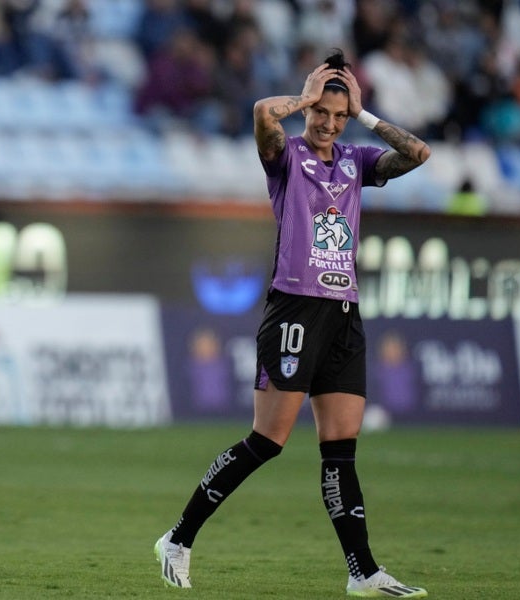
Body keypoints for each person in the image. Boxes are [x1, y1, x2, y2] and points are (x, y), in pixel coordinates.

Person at [154, 49, 431, 598]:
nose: (328, 123)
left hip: (344, 314)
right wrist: (306, 96)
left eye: (337, 115)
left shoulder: (355, 159)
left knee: (341, 448)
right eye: (320, 113)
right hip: (294, 310)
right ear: (307, 111)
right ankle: (178, 539)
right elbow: (262, 113)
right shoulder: (286, 157)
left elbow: (419, 153)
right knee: (267, 441)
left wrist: (366, 113)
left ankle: (362, 572)